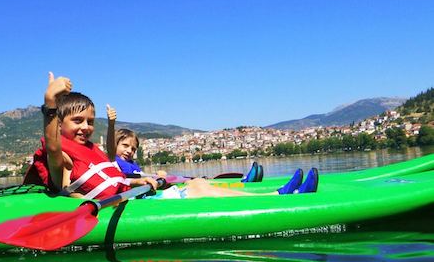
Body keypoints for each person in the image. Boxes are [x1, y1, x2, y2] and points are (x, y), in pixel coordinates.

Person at [24, 72, 318, 200]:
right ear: (59, 124)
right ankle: (278, 198)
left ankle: (276, 196)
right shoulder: (61, 157)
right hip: (124, 211)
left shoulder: (93, 151)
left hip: (136, 200)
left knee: (201, 182)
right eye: (77, 121)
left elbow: (114, 175)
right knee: (199, 189)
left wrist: (140, 181)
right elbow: (51, 148)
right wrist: (50, 103)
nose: (86, 127)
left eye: (90, 121)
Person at [106, 104, 166, 177]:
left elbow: (143, 176)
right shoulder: (112, 161)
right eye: (125, 145)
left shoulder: (132, 164)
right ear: (115, 144)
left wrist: (156, 175)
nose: (129, 151)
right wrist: (111, 124)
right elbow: (110, 147)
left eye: (133, 149)